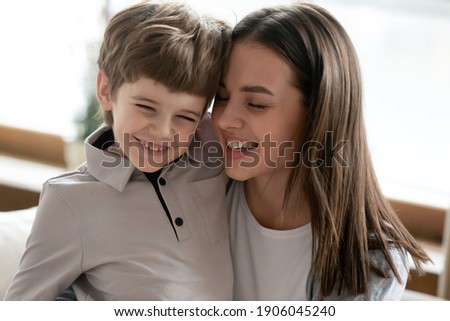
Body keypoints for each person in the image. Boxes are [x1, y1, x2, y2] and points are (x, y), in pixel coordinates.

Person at [4, 1, 232, 300]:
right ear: (105, 90)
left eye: (185, 117)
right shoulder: (68, 201)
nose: (164, 132)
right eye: (146, 107)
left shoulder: (213, 152)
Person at [212, 2, 430, 300]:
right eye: (221, 97)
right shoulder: (194, 188)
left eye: (257, 104)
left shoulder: (370, 263)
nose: (224, 119)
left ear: (318, 112)